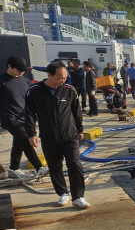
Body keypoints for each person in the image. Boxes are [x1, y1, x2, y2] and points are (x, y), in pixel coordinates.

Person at [24, 61, 89, 209]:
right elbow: (29, 114)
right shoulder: (34, 91)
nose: (63, 80)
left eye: (65, 77)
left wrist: (80, 129)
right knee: (54, 167)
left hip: (69, 136)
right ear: (49, 75)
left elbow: (76, 112)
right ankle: (62, 193)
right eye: (59, 77)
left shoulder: (69, 90)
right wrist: (31, 134)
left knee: (74, 164)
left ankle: (78, 196)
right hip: (49, 136)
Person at [0, 56, 49, 179]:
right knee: (26, 139)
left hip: (24, 117)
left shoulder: (25, 80)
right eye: (19, 70)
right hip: (8, 118)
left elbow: (31, 98)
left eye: (23, 70)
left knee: (18, 143)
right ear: (9, 66)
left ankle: (14, 168)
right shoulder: (2, 81)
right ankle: (39, 167)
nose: (22, 72)